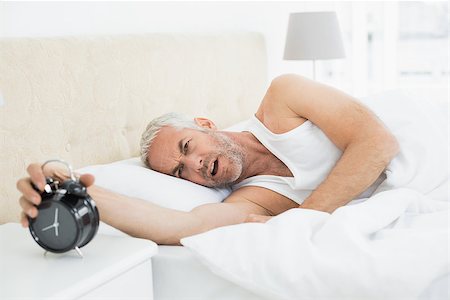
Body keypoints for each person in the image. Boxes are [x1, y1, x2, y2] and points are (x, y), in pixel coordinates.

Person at [16, 74, 399, 245]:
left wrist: (303, 219)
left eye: (187, 146)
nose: (195, 164)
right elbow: (177, 226)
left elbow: (378, 141)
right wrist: (76, 186)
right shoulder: (252, 200)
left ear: (204, 124)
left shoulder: (284, 96)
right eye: (180, 172)